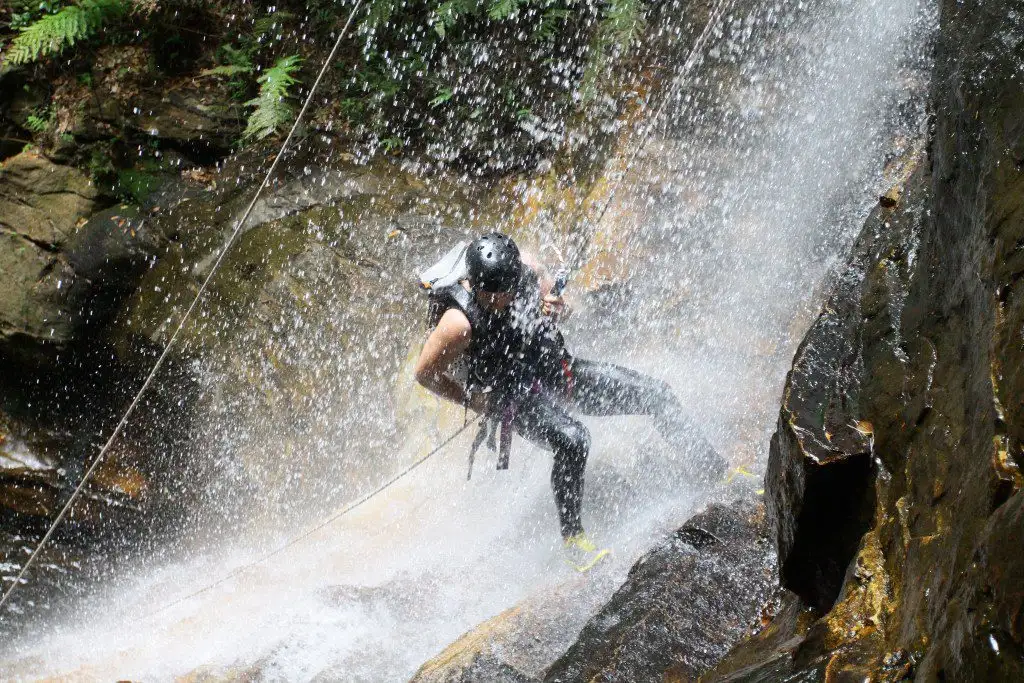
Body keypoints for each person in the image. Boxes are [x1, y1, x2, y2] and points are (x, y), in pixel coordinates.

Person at [414, 232, 725, 570]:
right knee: (573, 439)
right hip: (513, 397)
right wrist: (474, 402)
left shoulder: (526, 269)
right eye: (499, 293)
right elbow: (425, 374)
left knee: (658, 394)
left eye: (511, 286)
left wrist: (558, 306)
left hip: (554, 369)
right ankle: (574, 539)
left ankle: (714, 470)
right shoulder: (458, 323)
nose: (508, 295)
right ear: (478, 286)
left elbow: (565, 305)